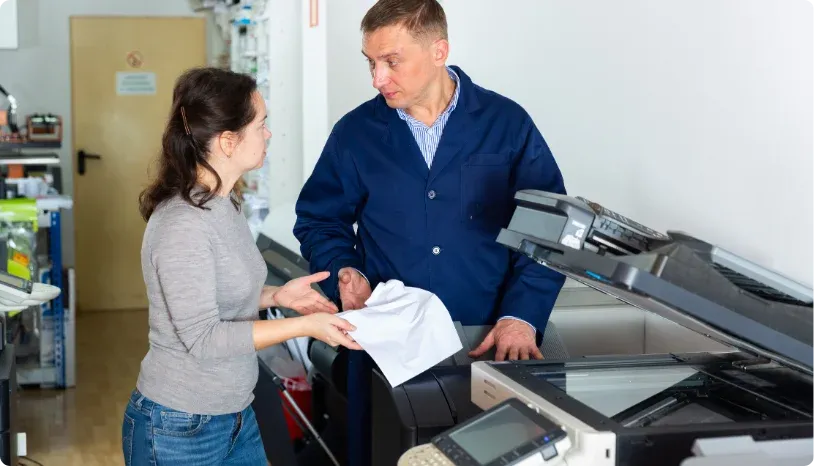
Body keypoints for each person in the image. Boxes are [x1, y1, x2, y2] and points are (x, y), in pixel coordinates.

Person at [293, 0, 567, 361]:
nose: (377, 78)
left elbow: (547, 228)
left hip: (486, 336)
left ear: (439, 51)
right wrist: (345, 268)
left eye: (391, 61)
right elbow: (320, 220)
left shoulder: (506, 124)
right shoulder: (354, 134)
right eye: (370, 62)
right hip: (385, 341)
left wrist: (522, 316)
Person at [122, 67, 361, 466]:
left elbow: (219, 294)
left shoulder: (221, 204)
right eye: (261, 124)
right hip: (178, 426)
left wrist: (278, 296)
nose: (268, 134)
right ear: (229, 141)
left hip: (234, 414)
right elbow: (204, 338)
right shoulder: (182, 223)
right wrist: (304, 325)